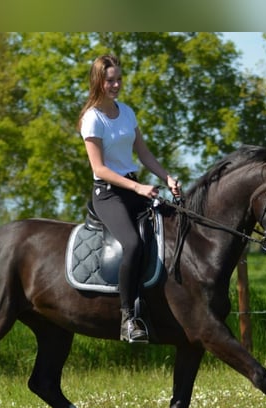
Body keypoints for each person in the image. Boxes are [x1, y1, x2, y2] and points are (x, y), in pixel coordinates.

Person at [77, 53, 182, 343]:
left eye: (119, 79)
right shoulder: (91, 119)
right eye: (110, 80)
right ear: (98, 81)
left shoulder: (127, 112)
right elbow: (99, 169)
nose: (116, 85)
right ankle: (128, 317)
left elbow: (144, 154)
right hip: (109, 195)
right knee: (133, 244)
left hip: (135, 188)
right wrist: (137, 189)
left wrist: (167, 178)